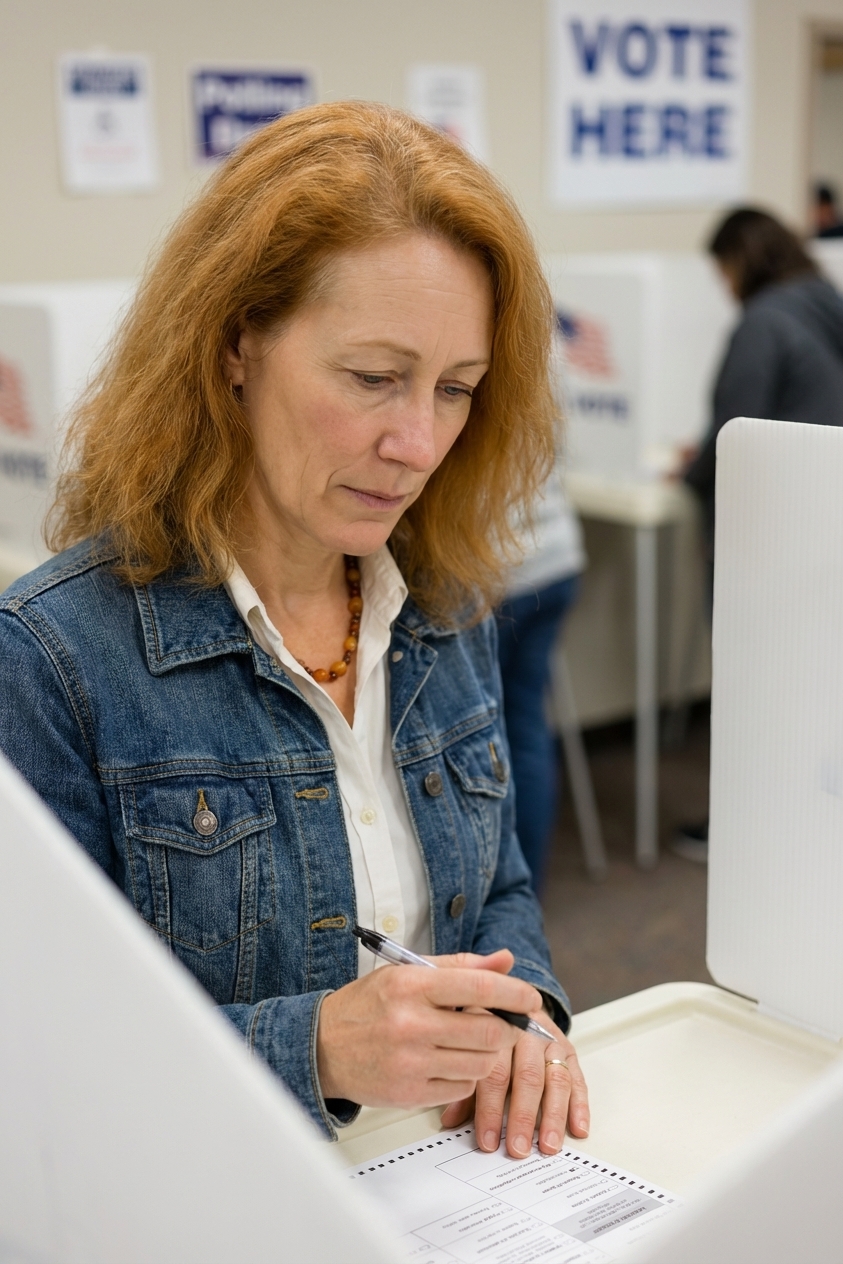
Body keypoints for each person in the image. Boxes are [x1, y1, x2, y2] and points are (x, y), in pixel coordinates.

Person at [0, 102, 589, 1157]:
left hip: (438, 1185)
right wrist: (310, 1047)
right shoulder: (53, 658)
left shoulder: (444, 609)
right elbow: (32, 1052)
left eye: (457, 390)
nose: (416, 442)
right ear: (235, 345)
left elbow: (498, 888)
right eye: (373, 378)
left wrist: (530, 1010)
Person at [678, 205, 843, 862]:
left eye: (721, 268)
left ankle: (743, 832)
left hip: (770, 541)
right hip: (824, 531)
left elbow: (730, 439)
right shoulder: (823, 305)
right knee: (815, 691)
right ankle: (810, 821)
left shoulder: (762, 323)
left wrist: (685, 475)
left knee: (755, 691)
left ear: (739, 259)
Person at [496, 354, 585, 894]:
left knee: (478, 738)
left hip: (495, 571)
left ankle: (500, 895)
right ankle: (523, 890)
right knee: (525, 724)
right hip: (555, 556)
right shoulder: (545, 343)